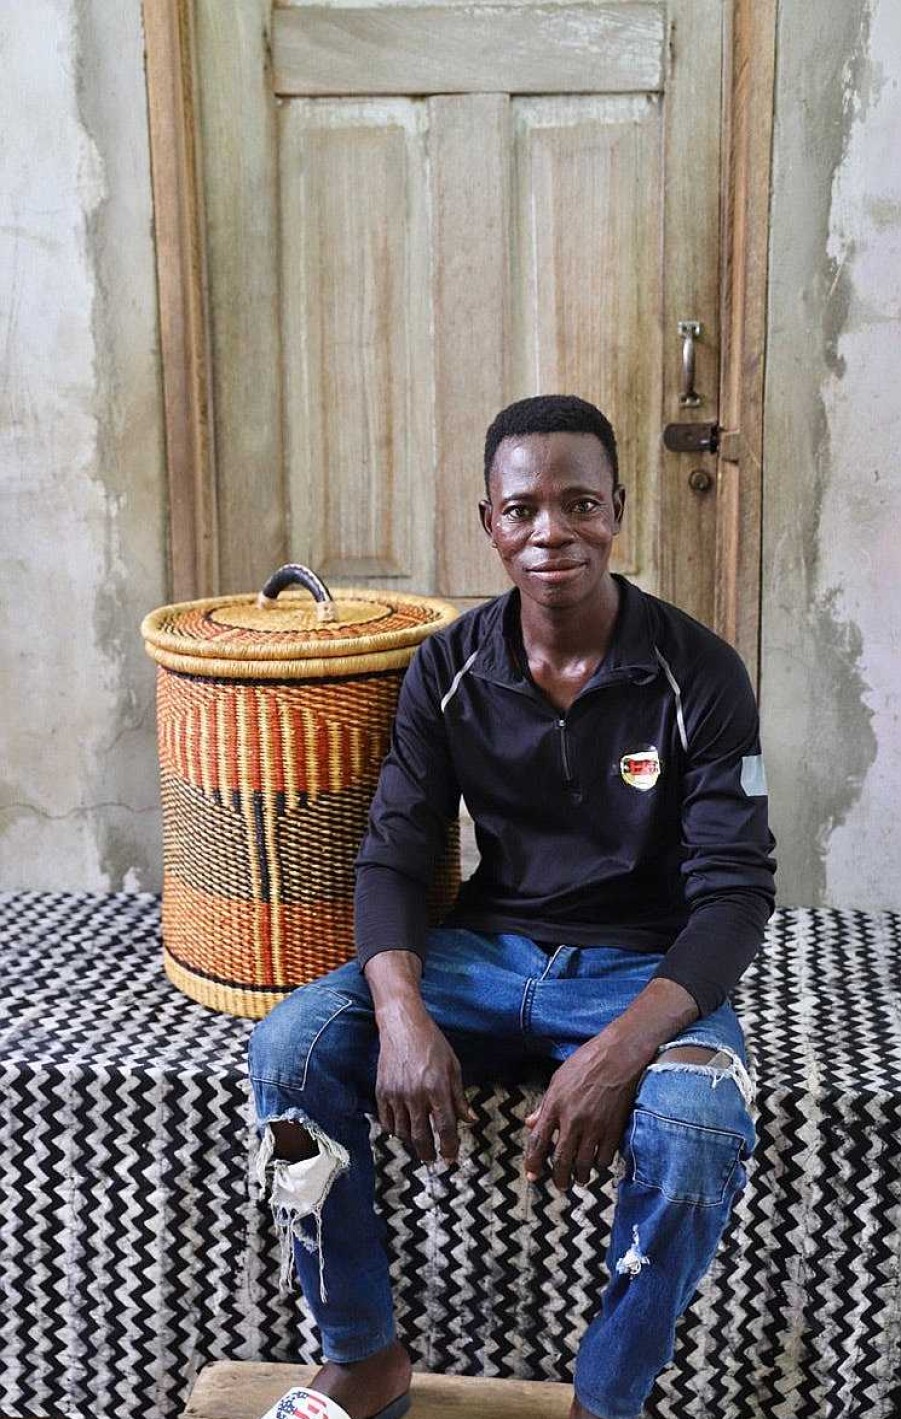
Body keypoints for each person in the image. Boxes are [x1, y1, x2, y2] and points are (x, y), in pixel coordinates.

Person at [248, 394, 777, 1419]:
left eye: (579, 504)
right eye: (522, 508)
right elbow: (396, 858)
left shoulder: (698, 673)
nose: (551, 532)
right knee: (291, 1047)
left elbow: (734, 895)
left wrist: (620, 1050)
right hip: (484, 957)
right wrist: (401, 1013)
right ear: (488, 521)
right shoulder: (448, 667)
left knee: (698, 1125)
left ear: (618, 509)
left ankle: (605, 1399)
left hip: (642, 968)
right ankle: (362, 1357)